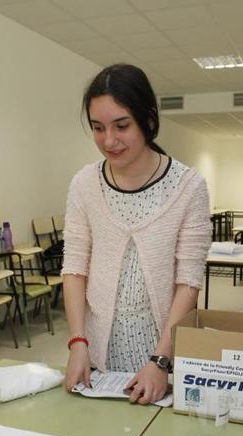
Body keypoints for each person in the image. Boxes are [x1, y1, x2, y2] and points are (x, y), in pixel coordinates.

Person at [61, 64, 212, 404]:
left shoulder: (189, 187)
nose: (109, 140)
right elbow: (74, 269)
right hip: (97, 349)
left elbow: (188, 282)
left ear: (149, 121)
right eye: (98, 128)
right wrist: (78, 342)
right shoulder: (85, 184)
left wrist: (161, 359)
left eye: (122, 126)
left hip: (163, 350)